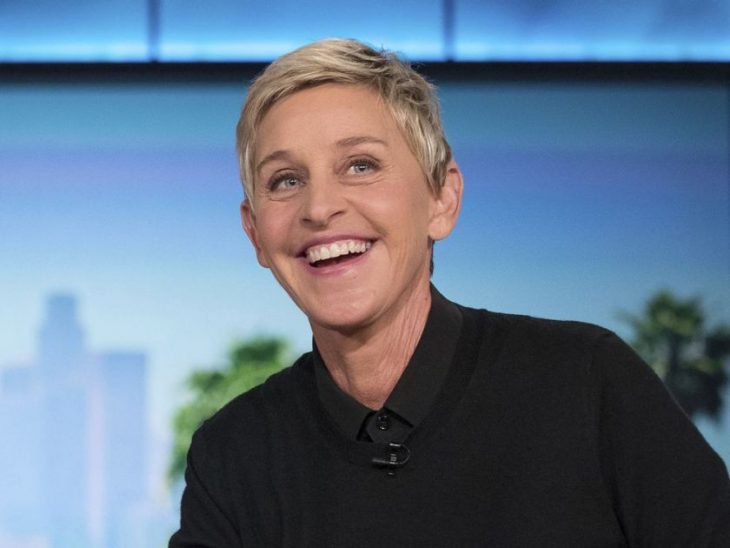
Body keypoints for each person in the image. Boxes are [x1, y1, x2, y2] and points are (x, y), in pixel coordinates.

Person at [170, 39, 730, 547]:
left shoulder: (588, 382)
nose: (319, 208)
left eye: (360, 165)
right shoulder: (233, 455)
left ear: (442, 199)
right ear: (255, 233)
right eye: (286, 180)